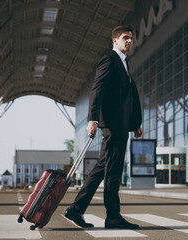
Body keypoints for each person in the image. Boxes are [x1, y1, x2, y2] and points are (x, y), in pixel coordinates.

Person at [64, 24, 143, 229]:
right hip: (114, 126)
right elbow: (97, 89)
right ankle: (113, 216)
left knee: (101, 168)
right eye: (125, 37)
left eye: (131, 38)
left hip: (121, 125)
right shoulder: (110, 59)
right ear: (115, 41)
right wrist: (92, 119)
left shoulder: (124, 63)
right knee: (113, 171)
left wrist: (135, 124)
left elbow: (129, 97)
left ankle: (76, 209)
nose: (129, 41)